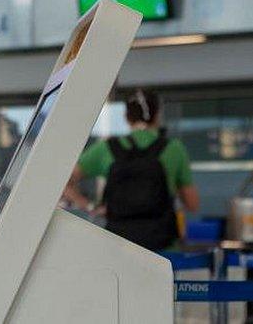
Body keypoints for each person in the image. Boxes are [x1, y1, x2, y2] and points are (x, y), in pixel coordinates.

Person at [63, 90, 199, 251]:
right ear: (157, 116)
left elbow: (64, 183)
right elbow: (192, 204)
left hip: (118, 246)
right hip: (163, 247)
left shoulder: (107, 148)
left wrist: (91, 207)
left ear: (127, 117)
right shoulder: (174, 148)